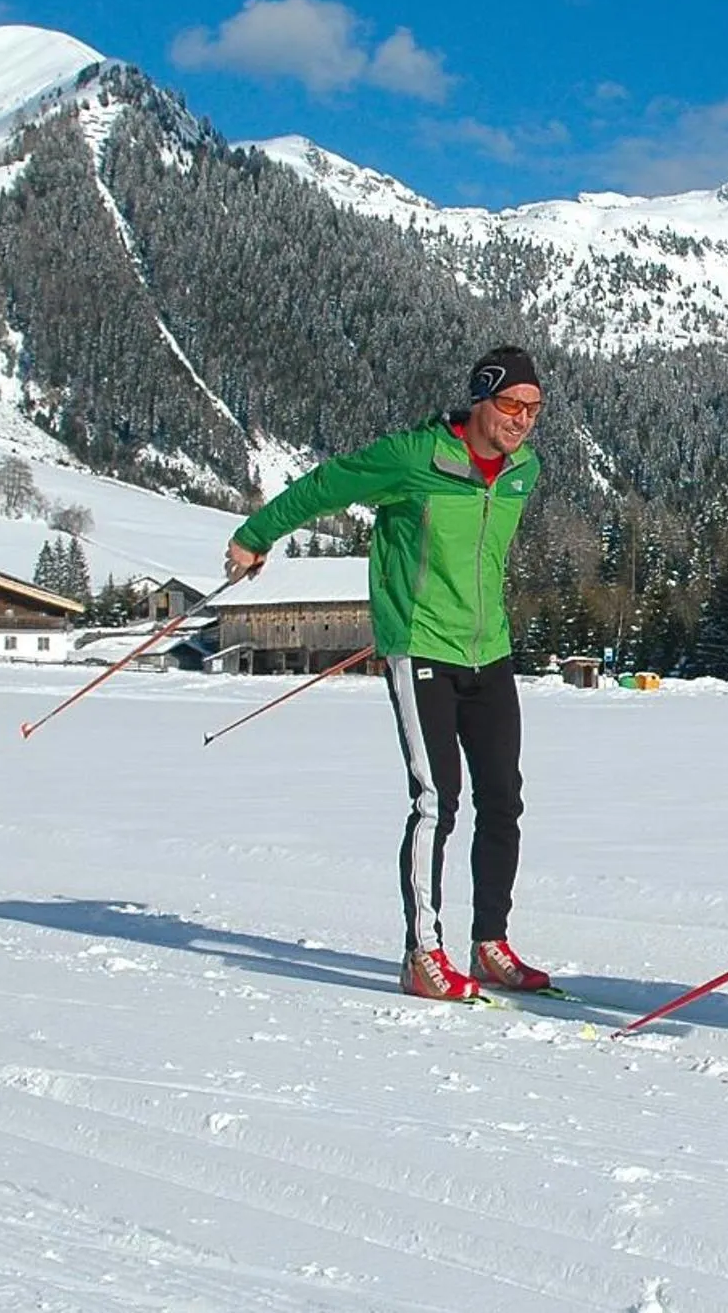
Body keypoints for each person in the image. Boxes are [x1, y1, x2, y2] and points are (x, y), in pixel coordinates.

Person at [224, 347, 548, 1003]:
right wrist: (257, 535)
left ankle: (490, 943)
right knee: (436, 801)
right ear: (480, 400)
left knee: (503, 799)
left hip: (489, 651)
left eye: (533, 409)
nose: (521, 419)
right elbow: (327, 485)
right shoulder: (413, 458)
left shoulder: (523, 470)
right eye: (511, 404)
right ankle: (423, 953)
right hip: (421, 647)